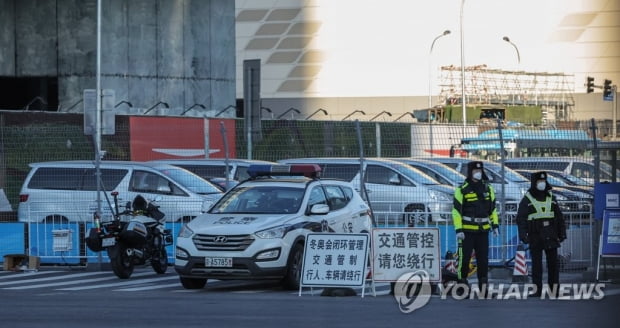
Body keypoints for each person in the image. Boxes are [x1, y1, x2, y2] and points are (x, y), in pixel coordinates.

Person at [516, 171, 567, 297]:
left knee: (553, 264)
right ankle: (537, 290)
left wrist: (562, 233)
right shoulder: (527, 199)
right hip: (535, 235)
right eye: (539, 182)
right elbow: (521, 218)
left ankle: (554, 290)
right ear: (534, 183)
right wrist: (523, 235)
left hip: (551, 234)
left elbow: (559, 217)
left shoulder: (551, 198)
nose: (542, 184)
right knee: (537, 264)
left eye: (543, 181)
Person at [452, 161, 500, 292]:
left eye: (479, 171)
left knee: (483, 260)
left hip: (483, 230)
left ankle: (483, 287)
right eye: (475, 171)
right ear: (470, 172)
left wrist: (495, 225)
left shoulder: (488, 189)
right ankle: (462, 286)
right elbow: (456, 211)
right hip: (467, 231)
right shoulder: (462, 190)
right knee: (464, 259)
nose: (478, 173)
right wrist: (458, 229)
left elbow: (493, 210)